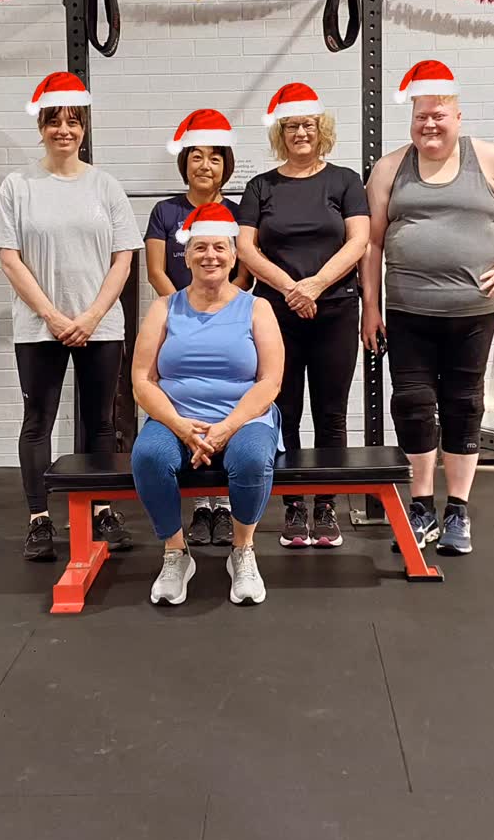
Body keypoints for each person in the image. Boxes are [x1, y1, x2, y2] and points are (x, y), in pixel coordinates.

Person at [361, 59, 494, 555]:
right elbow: (371, 245)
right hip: (408, 311)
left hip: (472, 312)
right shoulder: (389, 168)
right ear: (412, 118)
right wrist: (370, 306)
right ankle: (422, 504)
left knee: (464, 405)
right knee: (412, 405)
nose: (429, 123)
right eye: (421, 115)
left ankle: (458, 512)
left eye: (439, 115)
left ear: (457, 116)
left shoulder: (489, 159)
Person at [0, 71, 144, 561]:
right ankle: (38, 519)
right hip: (40, 326)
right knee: (38, 420)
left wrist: (93, 315)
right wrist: (53, 315)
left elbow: (124, 257)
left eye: (73, 121)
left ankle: (99, 509)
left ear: (84, 128)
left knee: (100, 422)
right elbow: (9, 257)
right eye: (54, 121)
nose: (64, 130)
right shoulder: (17, 185)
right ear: (42, 126)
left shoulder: (106, 186)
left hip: (100, 325)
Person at [237, 82, 370, 549]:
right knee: (285, 410)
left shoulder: (344, 180)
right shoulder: (261, 186)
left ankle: (327, 506)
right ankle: (294, 506)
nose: (300, 133)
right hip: (277, 313)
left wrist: (315, 285)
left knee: (331, 413)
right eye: (291, 126)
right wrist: (291, 289)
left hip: (334, 309)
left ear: (321, 129)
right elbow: (244, 248)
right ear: (280, 132)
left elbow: (359, 241)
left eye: (307, 125)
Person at [131, 202, 284, 607]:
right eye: (200, 248)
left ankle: (242, 550)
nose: (210, 256)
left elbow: (270, 381)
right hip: (176, 418)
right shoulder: (164, 307)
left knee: (251, 458)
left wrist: (228, 427)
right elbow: (142, 380)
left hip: (244, 418)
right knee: (148, 456)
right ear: (187, 254)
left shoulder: (257, 308)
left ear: (234, 255)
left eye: (219, 247)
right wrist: (180, 426)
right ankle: (175, 553)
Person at [144, 109, 251, 548]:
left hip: (230, 325)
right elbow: (155, 270)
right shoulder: (165, 212)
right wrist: (181, 313)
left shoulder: (239, 212)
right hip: (176, 324)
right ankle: (199, 506)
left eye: (214, 158)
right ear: (183, 162)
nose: (204, 166)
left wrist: (223, 311)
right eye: (195, 157)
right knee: (183, 406)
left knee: (226, 404)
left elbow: (244, 272)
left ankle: (222, 508)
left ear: (226, 163)